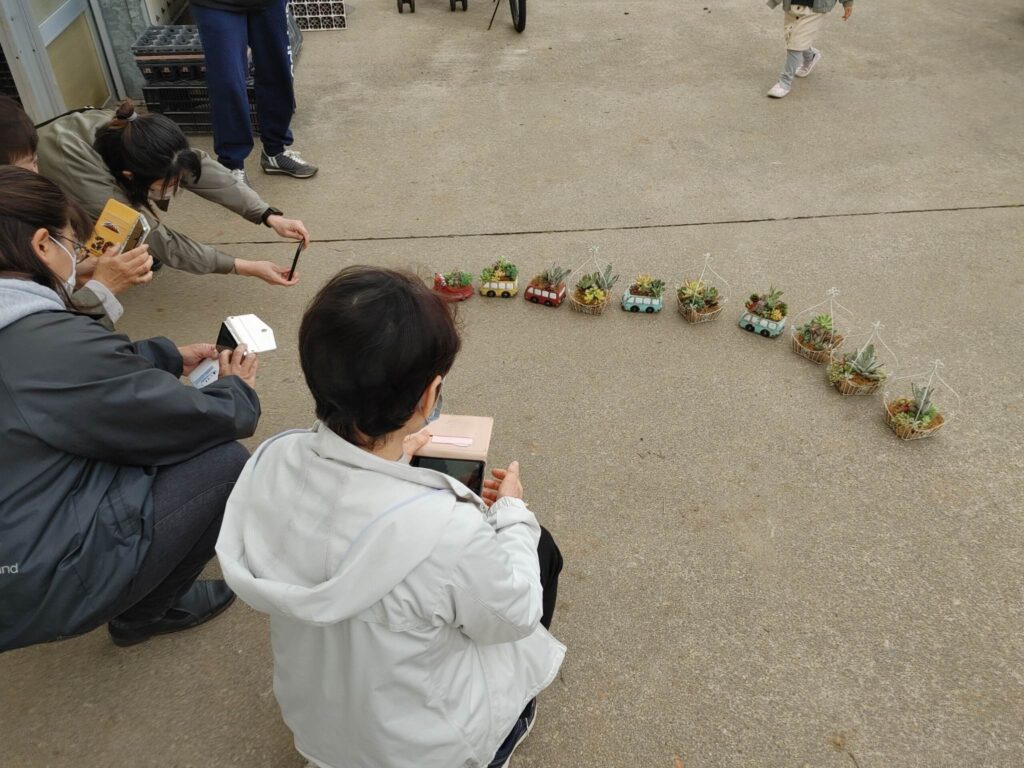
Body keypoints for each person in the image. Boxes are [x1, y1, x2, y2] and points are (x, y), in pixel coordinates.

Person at [217, 267, 566, 768]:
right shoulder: (447, 531)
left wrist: (396, 454)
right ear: (429, 397)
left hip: (318, 730)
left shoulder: (272, 460)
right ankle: (503, 735)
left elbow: (340, 506)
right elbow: (514, 617)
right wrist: (511, 511)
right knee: (537, 548)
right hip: (421, 749)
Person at [0, 167, 261, 652]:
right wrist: (236, 391)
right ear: (41, 245)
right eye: (73, 245)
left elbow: (63, 384)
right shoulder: (51, 344)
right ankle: (144, 613)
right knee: (223, 463)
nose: (80, 259)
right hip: (27, 579)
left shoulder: (24, 334)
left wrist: (162, 357)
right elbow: (192, 420)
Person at [36, 99, 310, 286]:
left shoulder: (135, 135)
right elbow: (154, 235)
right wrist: (242, 266)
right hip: (38, 197)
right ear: (129, 176)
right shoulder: (82, 174)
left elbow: (201, 169)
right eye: (168, 185)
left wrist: (267, 214)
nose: (176, 189)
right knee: (117, 232)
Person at [190, 0, 318, 181]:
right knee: (228, 81)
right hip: (215, 4)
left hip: (269, 3)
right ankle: (232, 165)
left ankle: (275, 151)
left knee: (278, 72)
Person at [765, 0, 854, 99]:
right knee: (792, 38)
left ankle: (784, 82)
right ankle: (810, 56)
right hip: (792, 6)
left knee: (795, 45)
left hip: (814, 10)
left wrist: (847, 3)